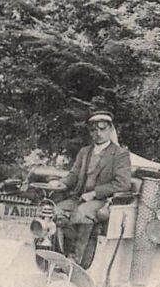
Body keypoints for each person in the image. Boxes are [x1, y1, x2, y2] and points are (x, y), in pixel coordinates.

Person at [54, 111, 133, 265]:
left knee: (82, 214)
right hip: (79, 198)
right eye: (94, 130)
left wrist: (95, 193)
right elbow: (73, 175)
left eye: (102, 129)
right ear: (90, 132)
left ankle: (78, 259)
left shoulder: (120, 154)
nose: (98, 133)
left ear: (110, 130)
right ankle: (60, 253)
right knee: (55, 210)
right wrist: (61, 183)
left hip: (102, 200)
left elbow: (123, 183)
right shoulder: (85, 152)